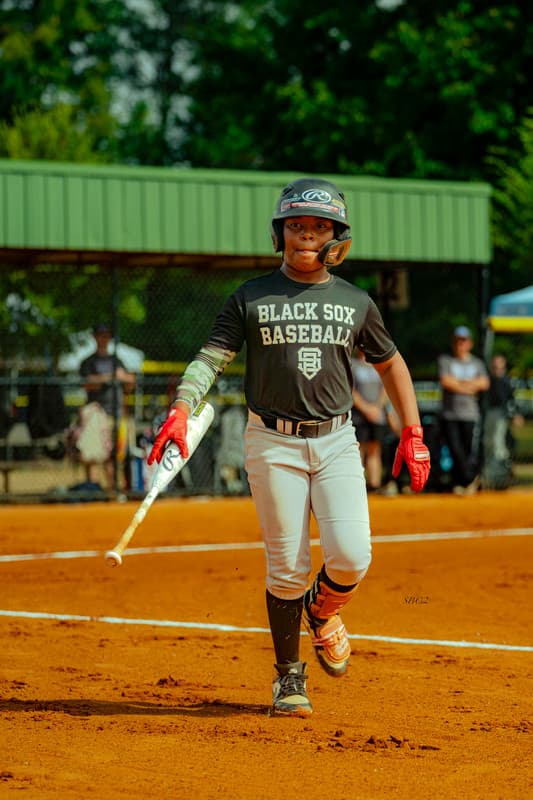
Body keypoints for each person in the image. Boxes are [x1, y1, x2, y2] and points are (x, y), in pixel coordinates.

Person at [148, 177, 430, 717]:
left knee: (352, 557)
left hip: (337, 440)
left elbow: (390, 363)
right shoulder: (250, 295)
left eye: (318, 226)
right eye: (296, 225)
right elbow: (210, 359)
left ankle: (322, 610)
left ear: (336, 238)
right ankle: (287, 677)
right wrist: (182, 407)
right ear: (280, 234)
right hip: (272, 441)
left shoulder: (354, 301)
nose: (306, 235)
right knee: (286, 566)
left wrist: (411, 430)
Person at [78, 323, 136, 490]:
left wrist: (122, 377)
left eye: (106, 335)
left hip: (117, 413)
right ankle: (93, 489)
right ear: (95, 337)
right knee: (94, 454)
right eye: (100, 335)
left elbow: (130, 382)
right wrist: (109, 377)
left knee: (117, 455)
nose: (104, 339)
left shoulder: (116, 360)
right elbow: (87, 383)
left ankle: (114, 490)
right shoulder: (88, 362)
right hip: (98, 414)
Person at [438, 325, 489, 495]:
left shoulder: (477, 363)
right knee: (455, 449)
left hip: (470, 414)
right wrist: (469, 387)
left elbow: (484, 383)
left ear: (470, 343)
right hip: (450, 414)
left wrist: (458, 384)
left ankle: (466, 481)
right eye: (458, 341)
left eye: (464, 341)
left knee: (468, 450)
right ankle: (467, 479)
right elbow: (446, 382)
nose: (460, 344)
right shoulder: (446, 360)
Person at [351, 347, 389, 491]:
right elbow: (349, 390)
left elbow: (385, 387)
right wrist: (366, 409)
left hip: (377, 415)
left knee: (375, 449)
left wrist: (377, 407)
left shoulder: (378, 364)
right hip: (358, 416)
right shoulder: (352, 364)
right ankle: (357, 487)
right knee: (358, 450)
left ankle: (374, 485)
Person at [482, 353, 524, 472]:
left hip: (501, 415)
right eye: (495, 367)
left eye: (500, 367)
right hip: (489, 414)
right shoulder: (488, 380)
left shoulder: (506, 382)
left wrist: (515, 414)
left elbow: (510, 401)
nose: (497, 370)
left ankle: (502, 467)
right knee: (488, 441)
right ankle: (492, 469)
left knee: (498, 441)